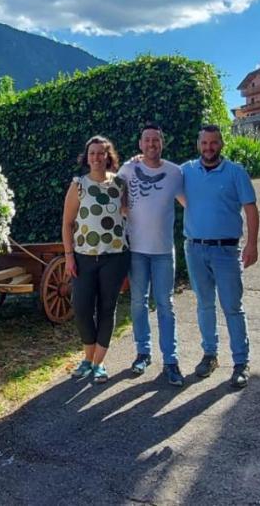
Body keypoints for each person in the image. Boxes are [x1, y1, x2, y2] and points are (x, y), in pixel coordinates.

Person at [180, 124, 259, 391]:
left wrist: (252, 244)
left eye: (213, 143)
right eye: (204, 143)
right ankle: (210, 355)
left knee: (232, 307)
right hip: (195, 248)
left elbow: (250, 210)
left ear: (221, 144)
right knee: (204, 305)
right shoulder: (186, 171)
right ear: (198, 144)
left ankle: (241, 362)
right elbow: (160, 176)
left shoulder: (236, 172)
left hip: (226, 251)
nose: (208, 148)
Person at [117, 125, 186, 386]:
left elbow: (189, 202)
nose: (151, 144)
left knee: (166, 305)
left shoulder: (174, 172)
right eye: (147, 140)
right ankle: (142, 353)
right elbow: (113, 193)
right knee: (138, 303)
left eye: (156, 140)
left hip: (162, 252)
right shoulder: (128, 169)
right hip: (136, 250)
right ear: (140, 144)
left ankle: (171, 360)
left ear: (162, 143)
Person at [62, 135, 130, 384]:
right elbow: (67, 224)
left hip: (114, 257)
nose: (97, 157)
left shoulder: (120, 184)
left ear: (108, 156)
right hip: (83, 258)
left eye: (101, 153)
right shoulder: (78, 184)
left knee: (106, 308)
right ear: (87, 157)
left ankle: (97, 363)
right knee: (81, 308)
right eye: (92, 153)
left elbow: (127, 215)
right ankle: (88, 357)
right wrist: (69, 256)